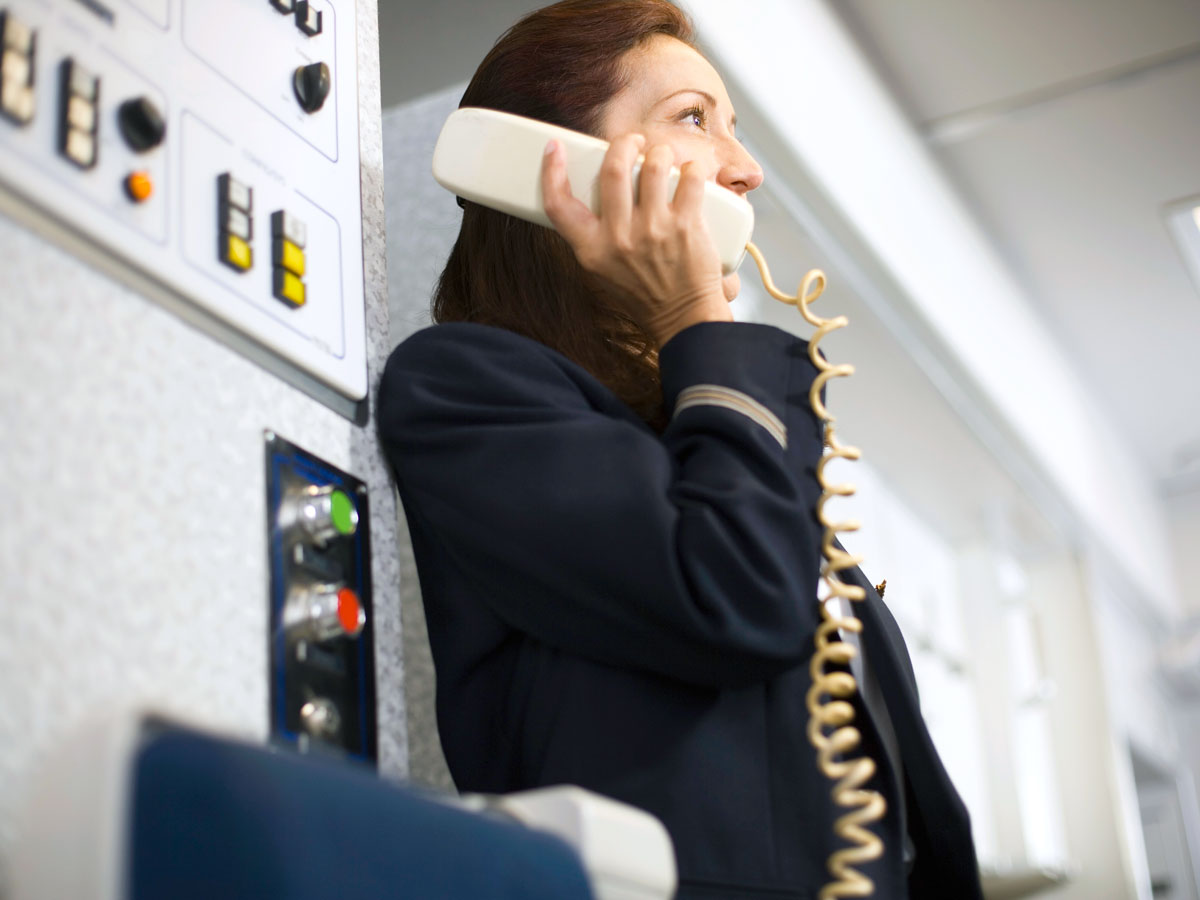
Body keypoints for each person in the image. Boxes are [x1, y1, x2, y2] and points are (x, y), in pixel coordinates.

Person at [378, 2, 983, 897]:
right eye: (695, 119)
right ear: (560, 167)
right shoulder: (461, 387)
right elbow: (733, 596)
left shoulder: (708, 428)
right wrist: (695, 314)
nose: (746, 169)